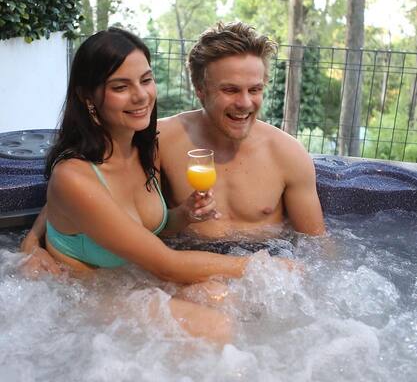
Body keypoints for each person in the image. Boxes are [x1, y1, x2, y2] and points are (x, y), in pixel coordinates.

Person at [21, 26, 273, 344]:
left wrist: (183, 215)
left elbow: (150, 229)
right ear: (88, 97)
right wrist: (263, 266)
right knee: (216, 328)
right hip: (84, 294)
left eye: (145, 80)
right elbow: (168, 265)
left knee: (224, 297)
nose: (141, 95)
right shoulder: (74, 176)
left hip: (133, 277)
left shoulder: (145, 149)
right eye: (120, 86)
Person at [23, 21, 324, 265]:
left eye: (255, 89)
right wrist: (33, 240)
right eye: (230, 90)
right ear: (200, 89)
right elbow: (84, 185)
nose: (245, 103)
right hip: (184, 266)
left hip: (268, 274)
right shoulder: (158, 139)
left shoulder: (288, 154)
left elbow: (316, 247)